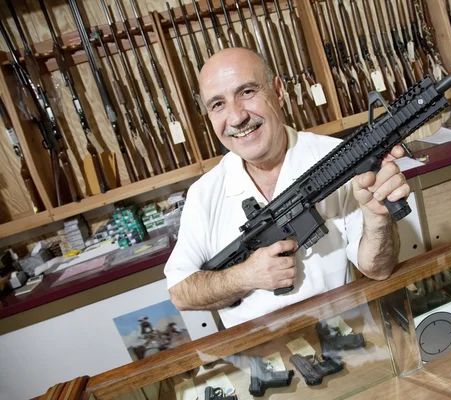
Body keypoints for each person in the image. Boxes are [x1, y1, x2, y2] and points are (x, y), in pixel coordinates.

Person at [164, 48, 410, 329]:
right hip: (264, 358)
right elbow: (180, 292)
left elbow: (378, 270)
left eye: (246, 92)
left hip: (347, 341)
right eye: (218, 104)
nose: (236, 118)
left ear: (279, 90)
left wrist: (377, 216)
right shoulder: (204, 194)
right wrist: (246, 276)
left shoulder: (337, 158)